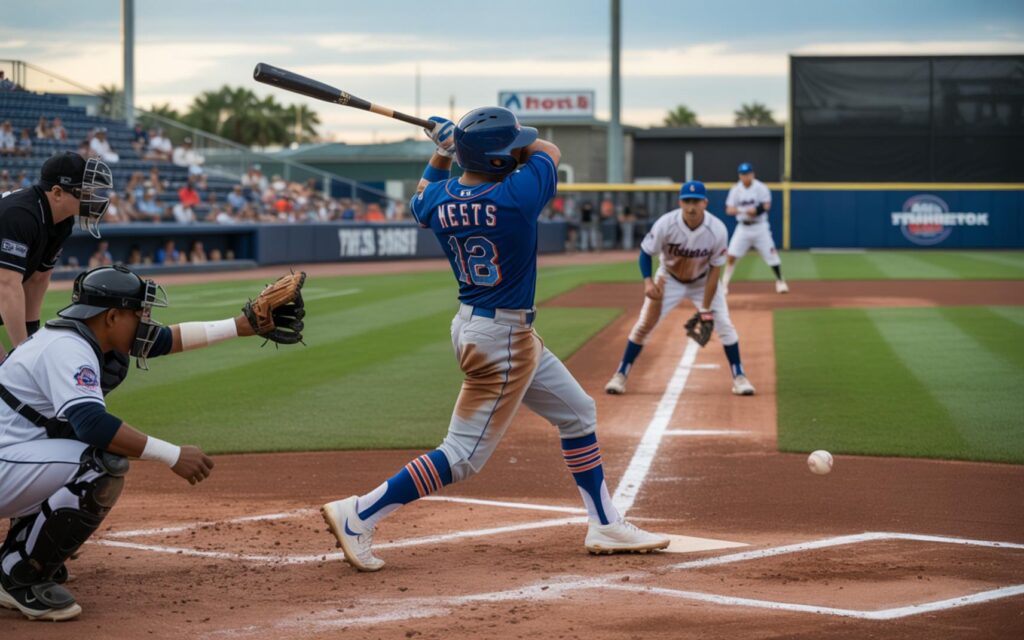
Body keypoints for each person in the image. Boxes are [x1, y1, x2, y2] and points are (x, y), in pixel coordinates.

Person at [321, 107, 669, 573]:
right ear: (501, 161)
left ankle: (604, 522)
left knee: (578, 413)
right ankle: (360, 513)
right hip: (501, 338)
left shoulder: (441, 200)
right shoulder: (516, 197)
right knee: (461, 454)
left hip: (484, 326)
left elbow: (419, 201)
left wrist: (444, 150)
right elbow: (547, 149)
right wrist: (458, 143)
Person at [0, 264, 305, 621]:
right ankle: (17, 575)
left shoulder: (81, 334)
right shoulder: (69, 349)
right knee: (97, 465)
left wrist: (240, 326)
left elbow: (164, 340)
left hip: (13, 456)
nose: (145, 320)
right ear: (112, 316)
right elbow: (93, 424)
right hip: (7, 462)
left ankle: (21, 551)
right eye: (137, 313)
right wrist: (172, 454)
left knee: (80, 452)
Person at [604, 180, 756, 397]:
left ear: (705, 202)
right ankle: (620, 374)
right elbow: (646, 252)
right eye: (687, 201)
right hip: (668, 280)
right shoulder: (666, 224)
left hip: (702, 280)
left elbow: (715, 270)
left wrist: (705, 308)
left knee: (724, 325)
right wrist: (648, 282)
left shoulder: (717, 229)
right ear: (680, 203)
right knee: (644, 325)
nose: (691, 207)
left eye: (696, 201)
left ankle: (739, 376)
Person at [0, 152, 113, 359]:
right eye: (83, 191)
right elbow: (7, 287)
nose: (90, 196)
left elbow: (38, 279)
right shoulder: (19, 215)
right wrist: (24, 354)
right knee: (10, 373)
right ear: (57, 192)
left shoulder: (63, 220)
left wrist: (31, 338)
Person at [721, 163, 788, 294]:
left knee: (772, 255)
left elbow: (766, 205)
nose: (745, 176)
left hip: (760, 227)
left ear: (752, 174)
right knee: (731, 256)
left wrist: (756, 210)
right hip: (743, 228)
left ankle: (780, 281)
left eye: (747, 174)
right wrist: (743, 210)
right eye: (743, 174)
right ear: (740, 175)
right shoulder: (735, 190)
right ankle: (724, 284)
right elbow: (729, 209)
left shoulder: (761, 187)